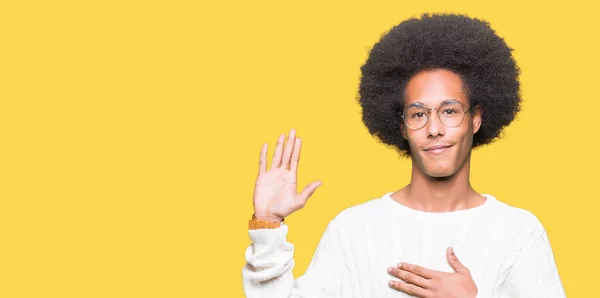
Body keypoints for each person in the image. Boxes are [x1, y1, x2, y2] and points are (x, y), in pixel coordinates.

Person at [241, 13, 566, 298]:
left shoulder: (518, 232)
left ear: (476, 118)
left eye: (449, 111)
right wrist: (268, 224)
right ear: (402, 127)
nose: (434, 128)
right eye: (418, 114)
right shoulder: (354, 229)